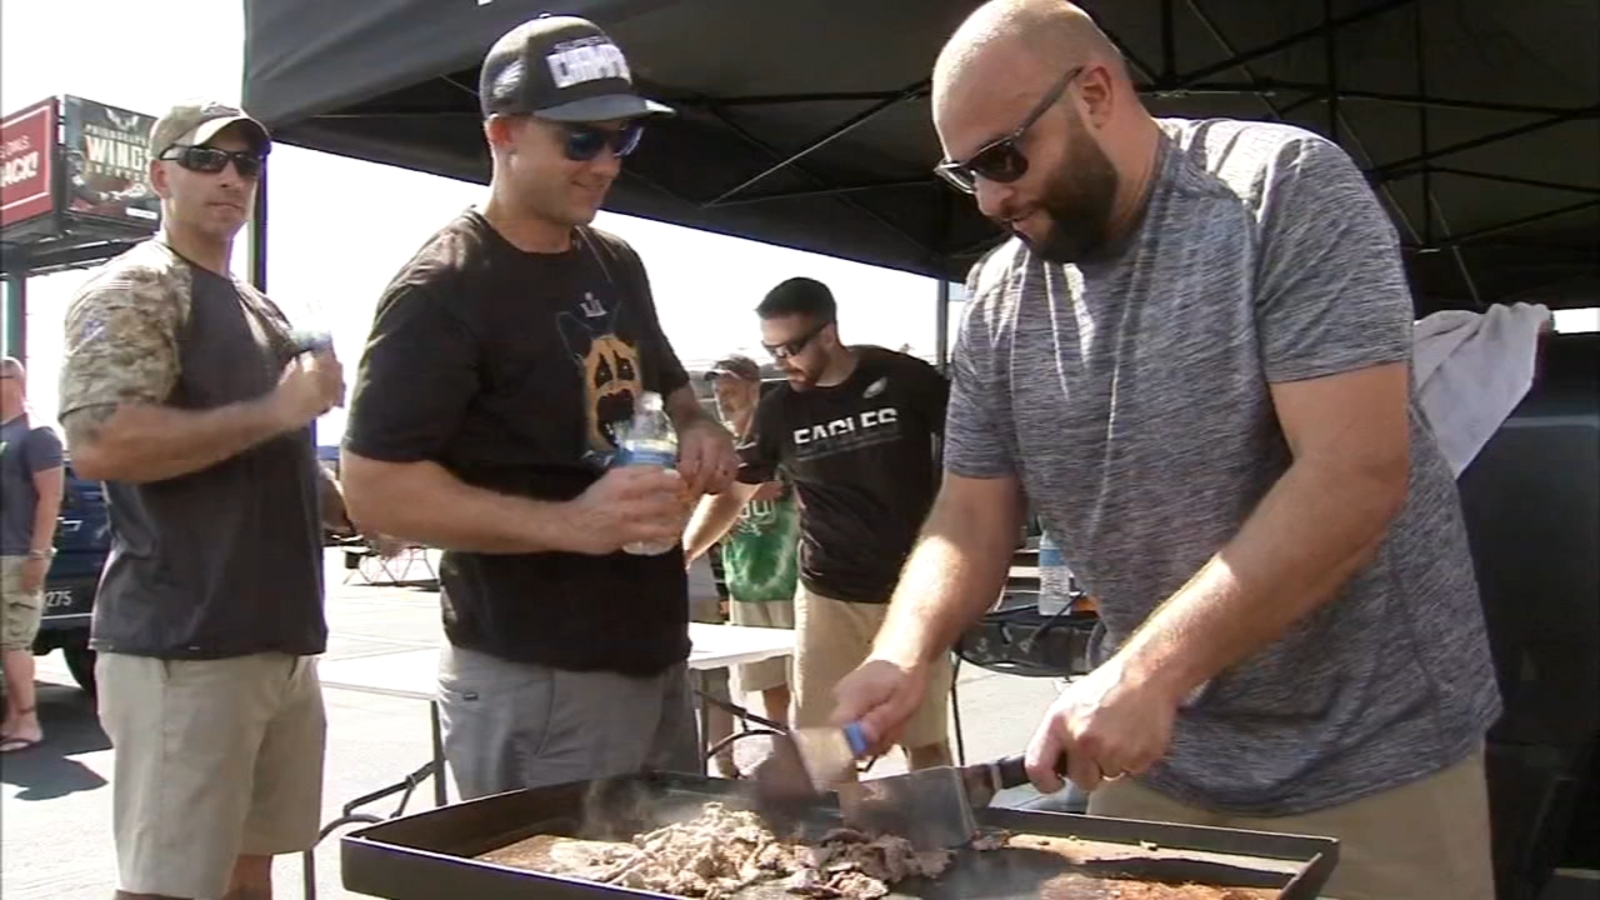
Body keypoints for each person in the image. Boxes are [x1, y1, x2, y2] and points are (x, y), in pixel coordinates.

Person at [829, 3, 1500, 898]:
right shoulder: (998, 299)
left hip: (1374, 757)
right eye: (967, 176)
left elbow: (1355, 476)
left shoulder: (1280, 192)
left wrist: (1150, 671)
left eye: (1002, 159)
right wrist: (904, 651)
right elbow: (969, 512)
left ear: (1097, 92)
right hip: (1153, 763)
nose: (990, 200)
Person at [337, 14, 739, 801]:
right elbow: (372, 489)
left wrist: (701, 429)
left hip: (652, 651)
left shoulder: (614, 260)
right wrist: (572, 525)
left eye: (621, 139)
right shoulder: (444, 288)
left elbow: (675, 388)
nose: (604, 165)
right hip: (539, 672)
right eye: (580, 141)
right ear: (504, 134)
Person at [56, 100, 349, 900]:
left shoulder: (260, 307)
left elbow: (267, 453)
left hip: (275, 642)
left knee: (252, 868)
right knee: (171, 884)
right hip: (183, 647)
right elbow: (102, 444)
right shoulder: (135, 287)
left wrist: (352, 507)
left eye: (246, 164)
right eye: (206, 159)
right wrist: (280, 410)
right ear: (159, 176)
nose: (231, 177)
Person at [683, 278, 954, 772]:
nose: (781, 362)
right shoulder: (780, 409)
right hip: (829, 591)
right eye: (771, 350)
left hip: (915, 590)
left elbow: (976, 456)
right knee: (824, 743)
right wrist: (684, 551)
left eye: (790, 348)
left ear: (828, 334)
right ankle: (846, 843)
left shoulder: (904, 378)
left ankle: (939, 837)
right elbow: (737, 491)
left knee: (926, 737)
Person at [697, 354, 799, 729]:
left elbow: (793, 486)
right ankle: (781, 745)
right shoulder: (721, 444)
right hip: (746, 579)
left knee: (803, 676)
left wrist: (750, 491)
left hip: (789, 575)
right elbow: (698, 500)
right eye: (719, 391)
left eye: (732, 390)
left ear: (755, 388)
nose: (724, 399)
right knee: (766, 681)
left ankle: (812, 759)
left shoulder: (776, 435)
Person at [0, 357, 65, 754]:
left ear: (12, 381)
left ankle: (29, 722)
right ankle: (13, 718)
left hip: (18, 554)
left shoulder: (36, 434)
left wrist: (38, 554)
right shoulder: (5, 432)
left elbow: (51, 497)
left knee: (15, 642)